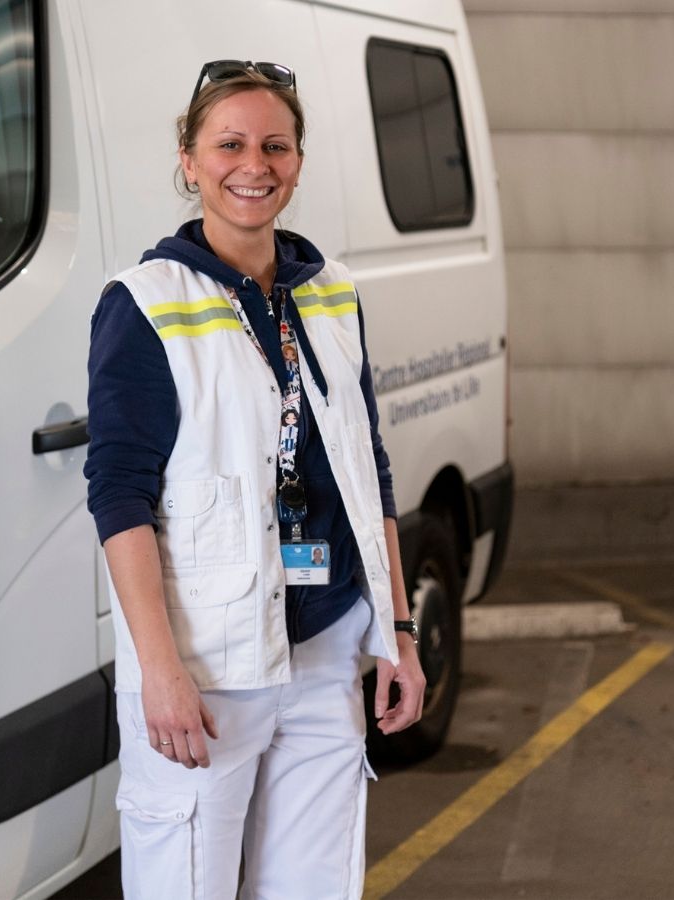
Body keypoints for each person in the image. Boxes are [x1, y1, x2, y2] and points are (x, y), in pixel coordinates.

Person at [84, 59, 425, 900]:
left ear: (299, 160)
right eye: (229, 143)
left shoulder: (332, 292)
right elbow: (118, 493)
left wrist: (399, 632)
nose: (254, 165)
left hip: (322, 650)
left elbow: (367, 468)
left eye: (276, 145)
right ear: (189, 158)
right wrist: (159, 670)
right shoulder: (144, 301)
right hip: (208, 670)